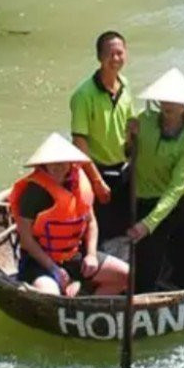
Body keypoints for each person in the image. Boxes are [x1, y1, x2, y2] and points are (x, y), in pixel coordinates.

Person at [8, 133, 130, 295]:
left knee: (125, 276)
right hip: (40, 261)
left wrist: (91, 255)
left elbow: (91, 222)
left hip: (73, 255)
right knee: (49, 294)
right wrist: (54, 269)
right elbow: (26, 239)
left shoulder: (80, 183)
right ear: (44, 164)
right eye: (52, 162)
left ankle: (84, 300)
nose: (57, 167)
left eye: (62, 162)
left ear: (71, 162)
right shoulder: (34, 193)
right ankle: (68, 289)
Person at [127, 68, 184, 293]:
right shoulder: (144, 121)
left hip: (179, 203)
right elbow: (126, 153)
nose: (167, 105)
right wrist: (129, 137)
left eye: (174, 101)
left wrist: (148, 224)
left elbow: (176, 188)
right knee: (145, 271)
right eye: (164, 99)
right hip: (146, 199)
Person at [70, 31, 135, 242]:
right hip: (97, 172)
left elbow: (130, 127)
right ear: (99, 57)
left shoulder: (125, 85)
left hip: (122, 170)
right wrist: (96, 181)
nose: (115, 58)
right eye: (110, 54)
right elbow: (79, 142)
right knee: (101, 233)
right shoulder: (83, 95)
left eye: (120, 53)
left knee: (125, 229)